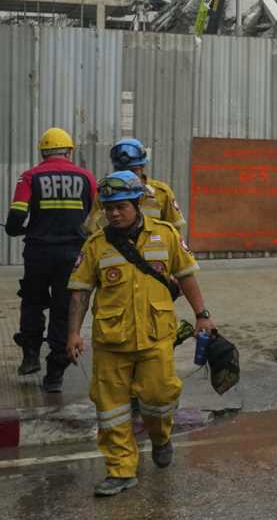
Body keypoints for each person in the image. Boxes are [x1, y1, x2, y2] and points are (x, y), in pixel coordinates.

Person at [66, 171, 214, 497]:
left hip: (155, 336)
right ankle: (120, 470)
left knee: (160, 397)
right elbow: (80, 291)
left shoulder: (166, 235)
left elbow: (187, 276)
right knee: (110, 408)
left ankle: (161, 437)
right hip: (110, 340)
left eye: (121, 207)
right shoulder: (95, 245)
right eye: (108, 208)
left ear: (136, 204)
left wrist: (202, 316)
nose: (114, 214)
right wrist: (73, 333)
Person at [5, 127, 97, 392]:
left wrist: (16, 230)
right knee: (63, 309)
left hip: (38, 253)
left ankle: (31, 356)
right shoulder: (86, 177)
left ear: (43, 152)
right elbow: (97, 216)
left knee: (32, 302)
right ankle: (55, 374)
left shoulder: (30, 176)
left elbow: (16, 216)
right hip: (73, 255)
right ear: (69, 151)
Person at [86, 138, 185, 233]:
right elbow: (92, 229)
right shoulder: (106, 191)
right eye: (121, 171)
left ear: (142, 167)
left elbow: (175, 229)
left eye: (132, 170)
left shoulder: (161, 192)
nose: (127, 177)